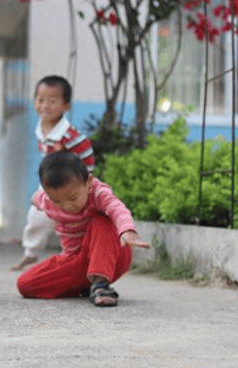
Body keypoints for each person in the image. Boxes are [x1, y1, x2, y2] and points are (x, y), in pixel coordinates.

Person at [16, 150, 150, 307]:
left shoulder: (98, 193)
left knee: (101, 219)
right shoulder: (45, 199)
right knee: (25, 284)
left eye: (73, 198)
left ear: (88, 181)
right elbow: (36, 202)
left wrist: (127, 230)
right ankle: (85, 286)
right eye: (57, 201)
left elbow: (116, 207)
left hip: (111, 256)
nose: (67, 206)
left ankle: (101, 284)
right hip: (74, 261)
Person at [10, 75, 95, 271]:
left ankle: (81, 257)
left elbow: (86, 156)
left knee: (73, 224)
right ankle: (30, 252)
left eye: (52, 101)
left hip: (73, 185)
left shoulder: (68, 136)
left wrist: (83, 185)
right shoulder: (41, 128)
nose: (44, 106)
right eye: (40, 100)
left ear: (66, 106)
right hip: (52, 182)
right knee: (36, 216)